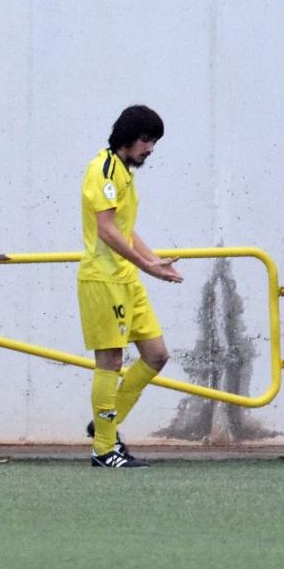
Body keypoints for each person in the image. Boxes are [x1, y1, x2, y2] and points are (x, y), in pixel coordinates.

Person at [79, 105, 181, 468]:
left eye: (154, 142)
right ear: (128, 136)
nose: (150, 148)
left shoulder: (123, 172)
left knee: (156, 355)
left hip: (127, 280)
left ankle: (105, 424)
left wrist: (154, 262)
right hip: (103, 280)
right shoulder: (102, 169)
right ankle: (104, 450)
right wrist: (146, 265)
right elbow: (106, 229)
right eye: (146, 140)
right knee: (110, 361)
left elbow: (124, 228)